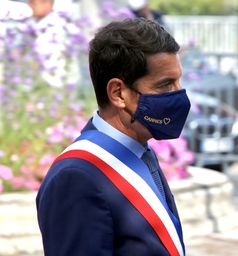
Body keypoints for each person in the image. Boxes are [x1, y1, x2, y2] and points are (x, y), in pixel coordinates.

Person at [36, 18, 190, 255]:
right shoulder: (76, 176)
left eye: (179, 81)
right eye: (165, 85)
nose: (178, 94)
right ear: (118, 93)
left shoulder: (141, 153)